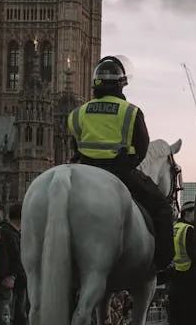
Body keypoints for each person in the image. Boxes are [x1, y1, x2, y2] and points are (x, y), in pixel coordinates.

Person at [68, 55, 173, 272]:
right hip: (119, 172)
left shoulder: (78, 113)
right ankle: (162, 263)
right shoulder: (131, 112)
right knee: (162, 207)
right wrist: (126, 162)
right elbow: (142, 147)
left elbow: (75, 144)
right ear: (121, 84)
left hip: (83, 170)